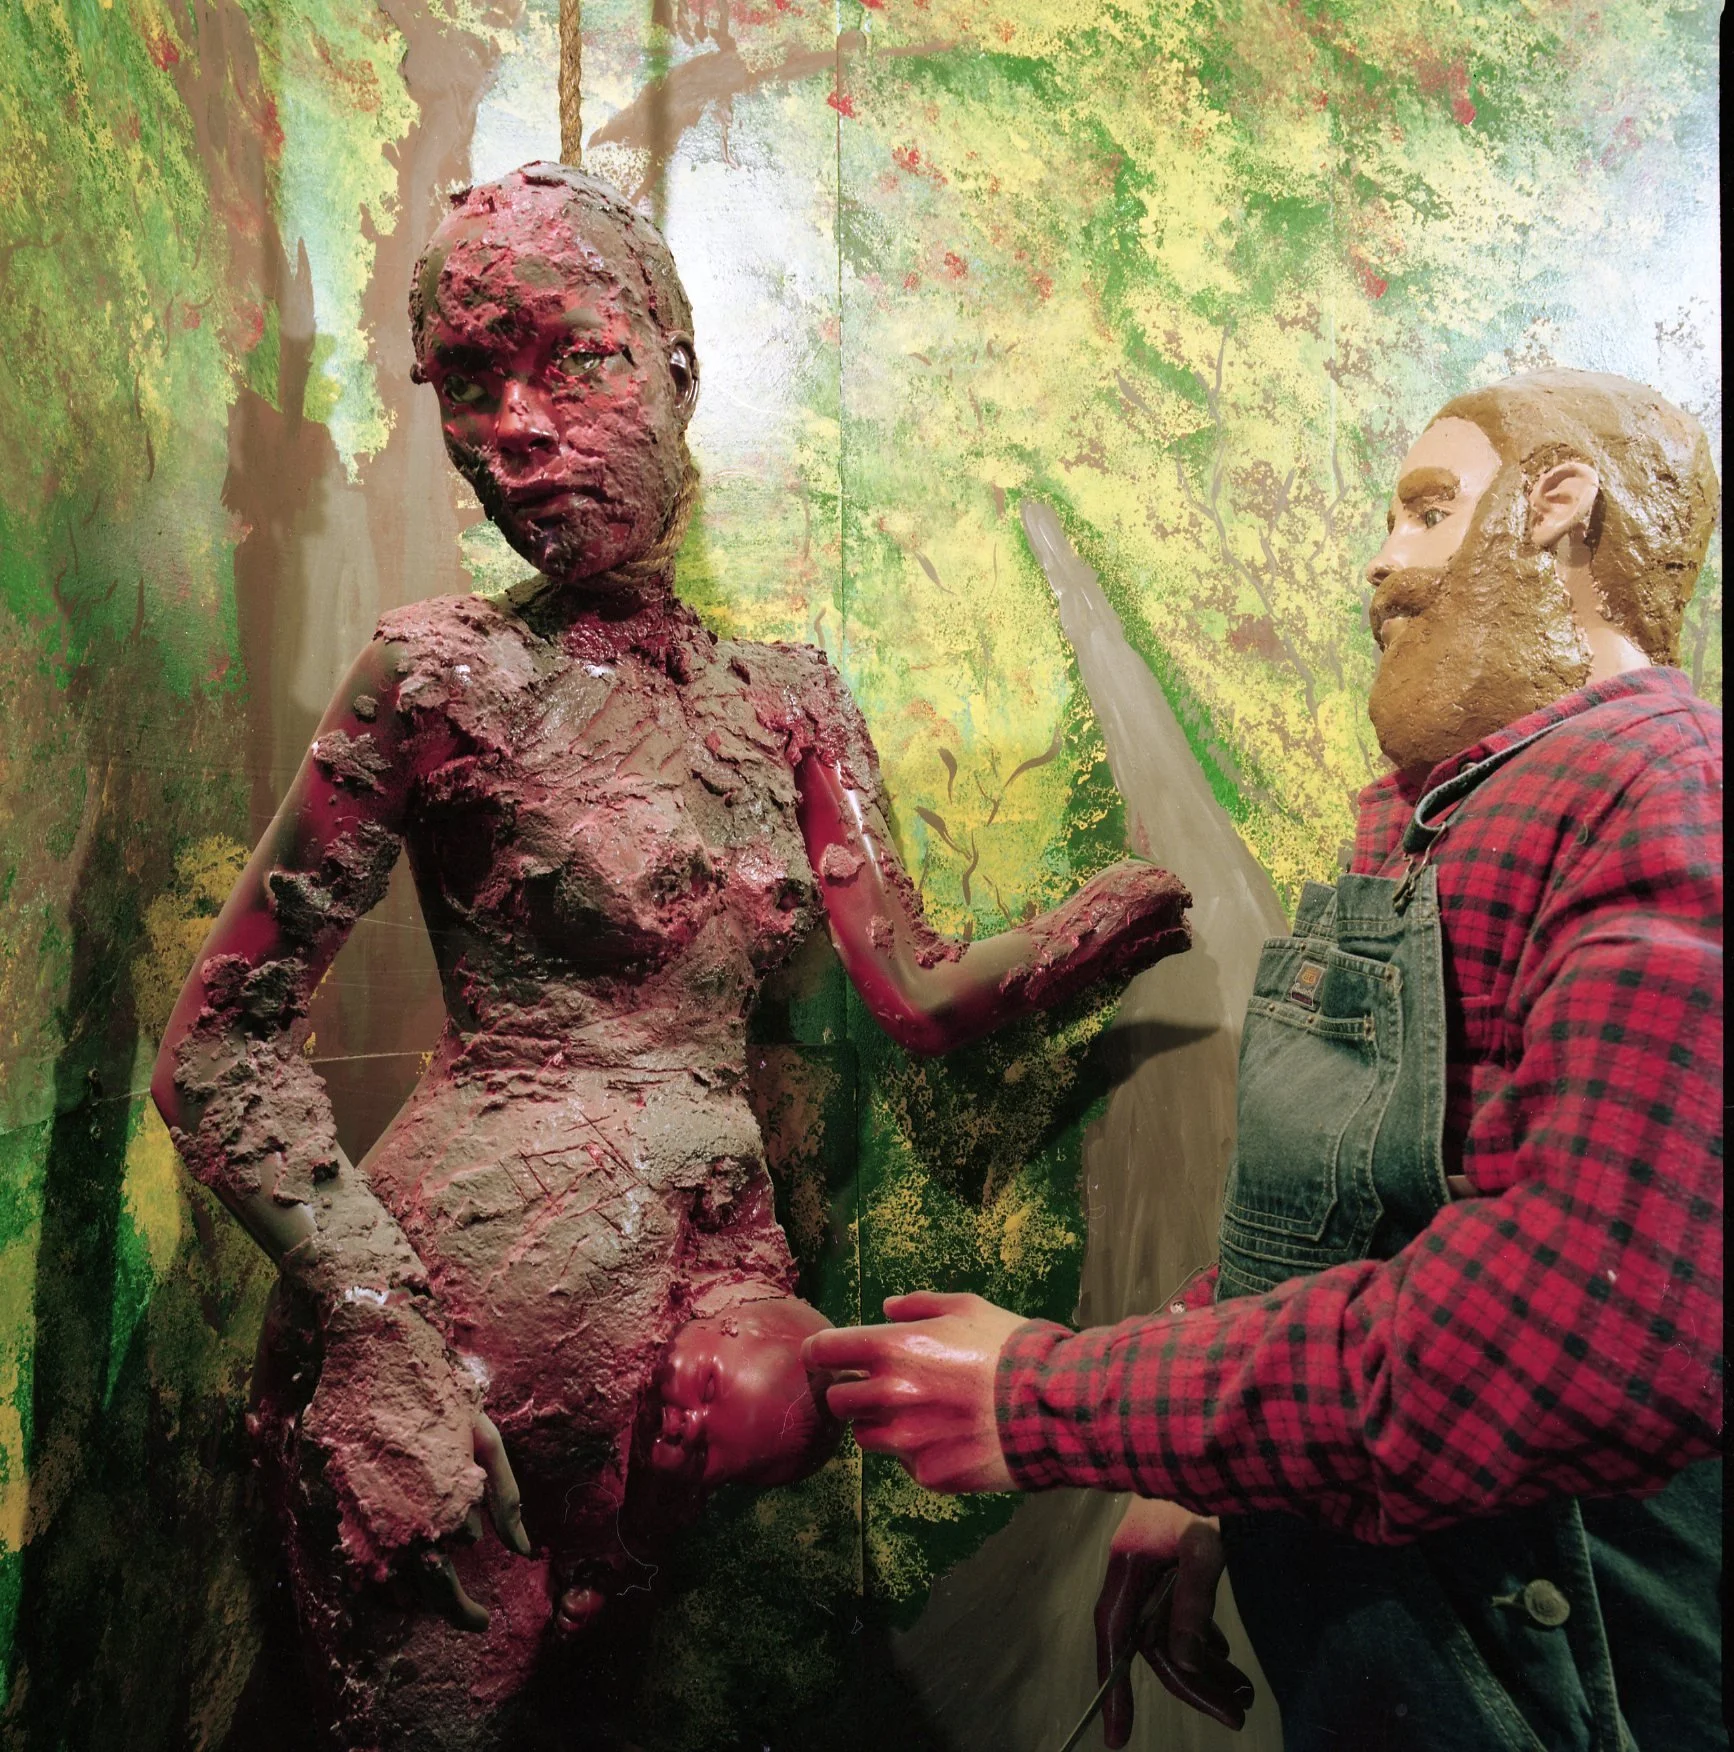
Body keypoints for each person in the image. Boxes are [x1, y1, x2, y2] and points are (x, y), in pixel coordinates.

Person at [149, 162, 1191, 1747]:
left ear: (676, 368)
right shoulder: (440, 675)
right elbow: (221, 1046)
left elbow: (908, 988)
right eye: (469, 382)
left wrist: (1078, 941)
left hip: (686, 1363)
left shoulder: (786, 700)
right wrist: (375, 1327)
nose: (514, 427)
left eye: (573, 360)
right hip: (456, 1360)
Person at [806, 370, 1724, 1750]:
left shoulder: (1659, 790)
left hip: (1546, 1677)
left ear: (1556, 505)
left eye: (1428, 511)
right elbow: (1371, 1214)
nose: (1381, 560)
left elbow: (1578, 1334)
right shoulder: (1455, 815)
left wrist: (1051, 1403)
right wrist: (1205, 1473)